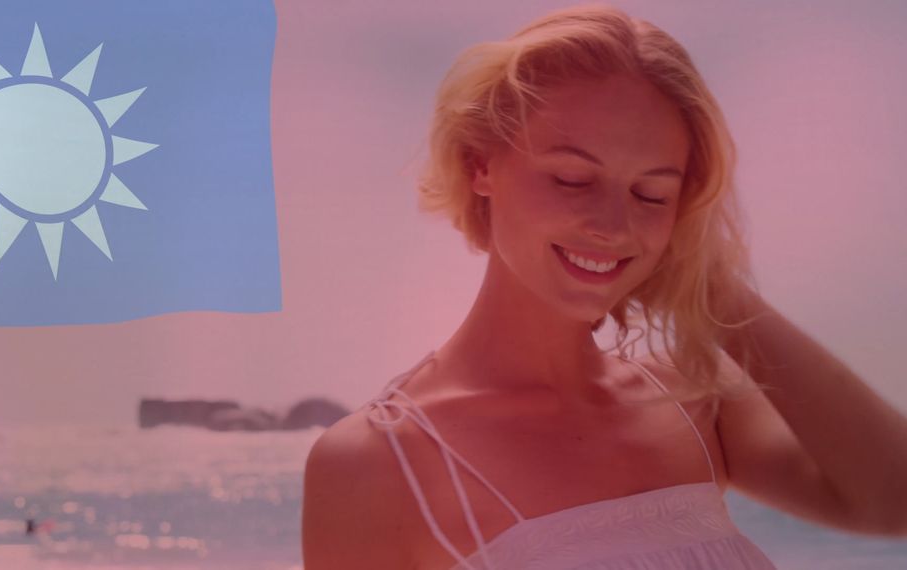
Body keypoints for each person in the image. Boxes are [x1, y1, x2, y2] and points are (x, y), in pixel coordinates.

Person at [302, 4, 907, 570]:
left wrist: (710, 290)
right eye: (572, 179)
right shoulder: (380, 462)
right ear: (480, 164)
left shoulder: (695, 402)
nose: (614, 226)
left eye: (652, 194)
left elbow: (893, 501)